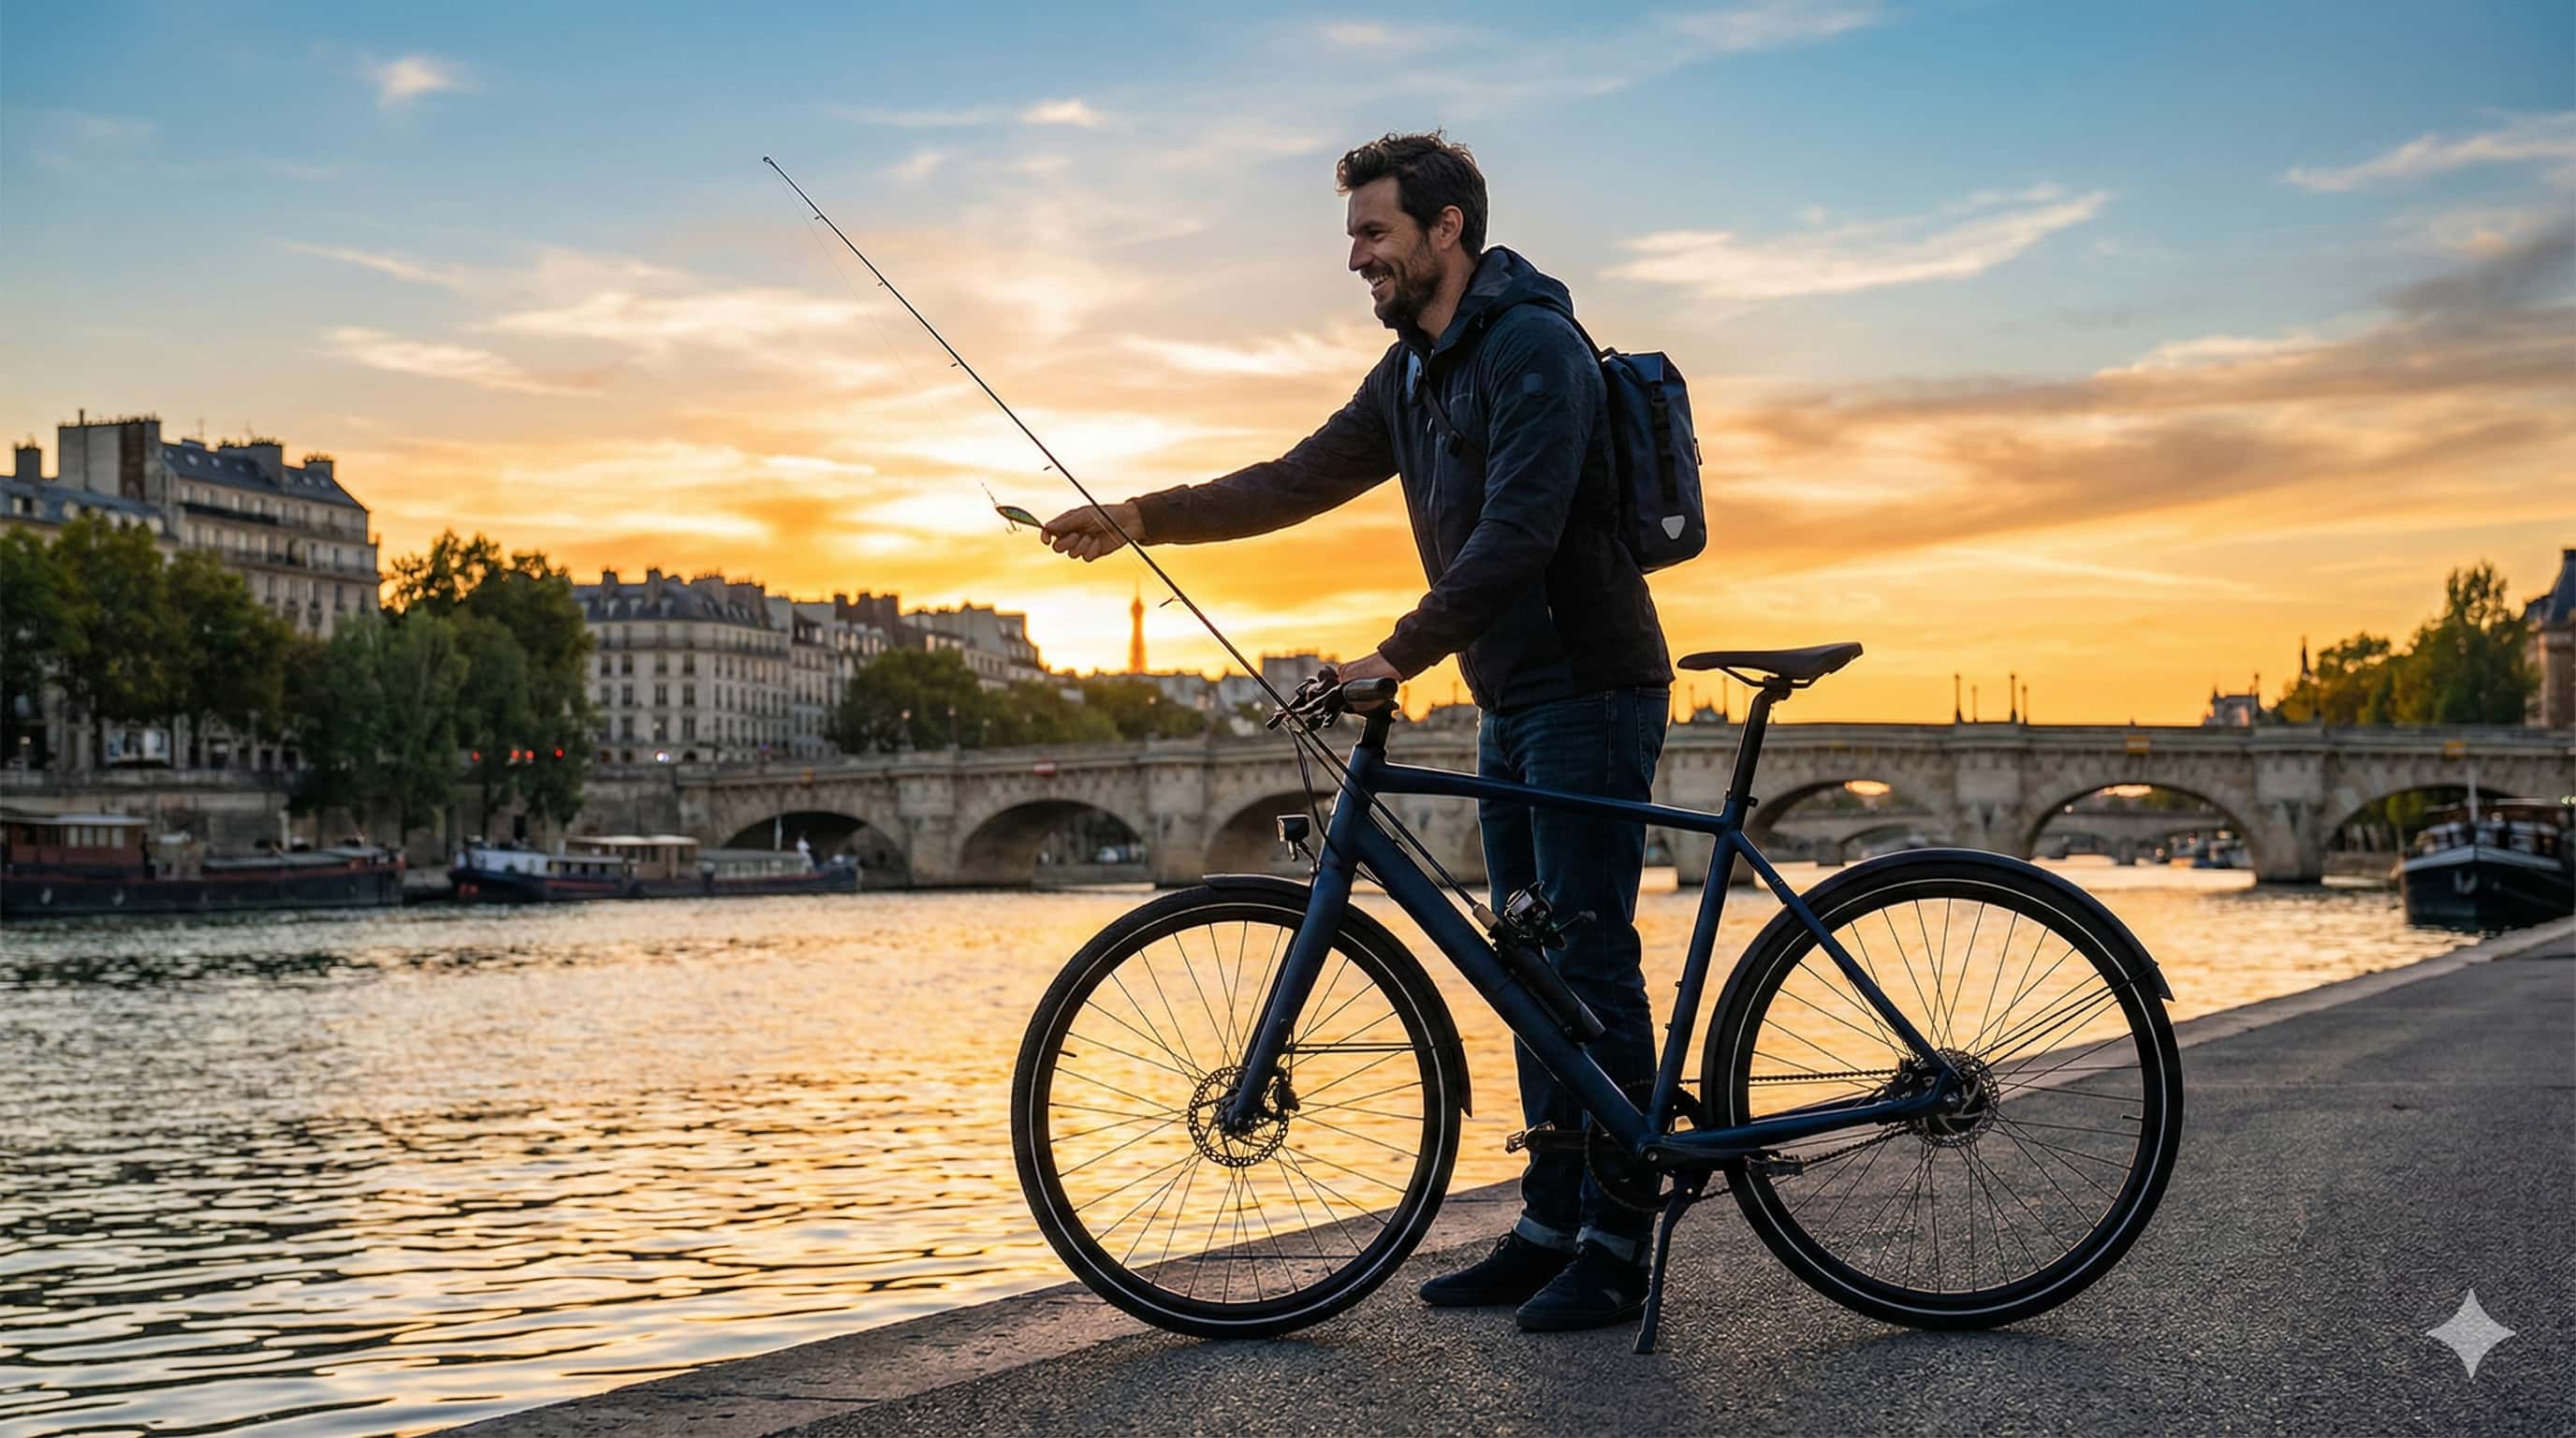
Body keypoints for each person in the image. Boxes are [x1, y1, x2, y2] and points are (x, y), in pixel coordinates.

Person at [1040, 131, 1673, 1331]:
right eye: (1352, 237)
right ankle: (1548, 1221)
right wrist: (1137, 517)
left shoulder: (1533, 347)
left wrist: (1395, 653)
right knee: (1528, 968)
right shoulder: (1415, 373)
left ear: (1447, 231)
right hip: (1511, 696)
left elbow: (1520, 533)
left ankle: (1619, 1240)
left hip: (1591, 690)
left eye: (1372, 233)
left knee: (1586, 958)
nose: (1355, 259)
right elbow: (1293, 479)